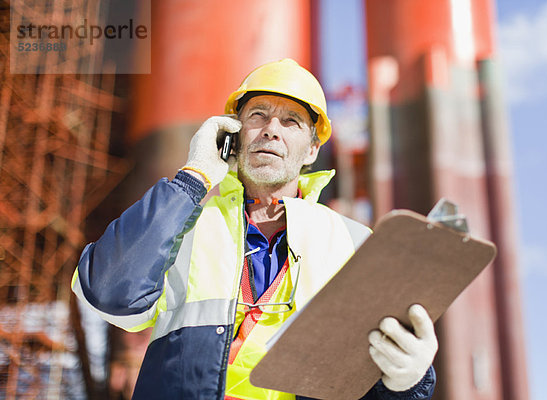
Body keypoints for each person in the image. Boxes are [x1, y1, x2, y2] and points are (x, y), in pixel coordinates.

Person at [72, 58, 437, 400]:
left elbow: (365, 382)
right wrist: (192, 179)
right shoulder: (183, 224)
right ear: (233, 135)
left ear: (312, 149)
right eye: (258, 116)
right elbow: (109, 294)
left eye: (291, 121)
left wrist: (409, 381)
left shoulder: (352, 242)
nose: (271, 131)